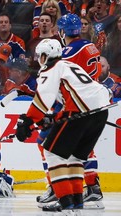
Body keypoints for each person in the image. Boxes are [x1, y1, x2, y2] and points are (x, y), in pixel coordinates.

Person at [15, 38, 110, 211]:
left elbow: (42, 100)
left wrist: (28, 121)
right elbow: (73, 98)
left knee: (51, 153)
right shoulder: (69, 65)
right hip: (101, 111)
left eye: (39, 56)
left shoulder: (51, 69)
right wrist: (52, 117)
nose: (38, 59)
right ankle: (76, 201)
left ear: (45, 55)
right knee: (74, 157)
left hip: (81, 112)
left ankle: (65, 200)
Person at [35, 13, 105, 206]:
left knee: (45, 143)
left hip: (74, 103)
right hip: (90, 100)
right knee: (82, 149)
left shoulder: (68, 52)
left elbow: (59, 78)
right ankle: (92, 187)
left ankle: (57, 188)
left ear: (64, 31)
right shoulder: (89, 46)